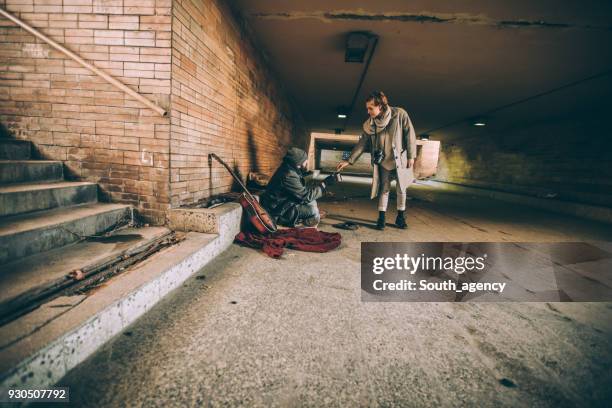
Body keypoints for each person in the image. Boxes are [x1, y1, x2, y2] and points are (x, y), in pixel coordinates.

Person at [336, 91, 417, 230]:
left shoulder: (399, 114)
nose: (368, 112)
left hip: (399, 161)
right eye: (367, 108)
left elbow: (410, 133)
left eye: (370, 108)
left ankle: (400, 217)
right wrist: (349, 160)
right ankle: (381, 218)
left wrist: (411, 156)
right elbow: (362, 143)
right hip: (383, 161)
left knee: (401, 188)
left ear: (380, 106)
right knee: (383, 189)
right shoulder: (370, 124)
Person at [260, 147, 338, 228]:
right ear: (298, 162)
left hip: (283, 202)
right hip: (278, 210)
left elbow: (299, 186)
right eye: (305, 160)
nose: (307, 162)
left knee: (313, 202)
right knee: (314, 212)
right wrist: (325, 184)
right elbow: (305, 197)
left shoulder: (288, 168)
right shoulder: (288, 175)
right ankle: (302, 229)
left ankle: (304, 218)